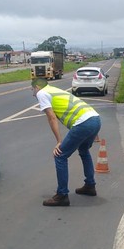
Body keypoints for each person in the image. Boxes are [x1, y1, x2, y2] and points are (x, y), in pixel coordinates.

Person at [31, 77, 101, 207]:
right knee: (84, 151)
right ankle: (90, 186)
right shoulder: (54, 90)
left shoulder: (42, 93)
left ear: (37, 87)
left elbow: (52, 118)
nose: (32, 93)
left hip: (84, 123)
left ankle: (62, 195)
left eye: (32, 90)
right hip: (95, 119)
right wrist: (94, 131)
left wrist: (59, 141)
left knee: (60, 155)